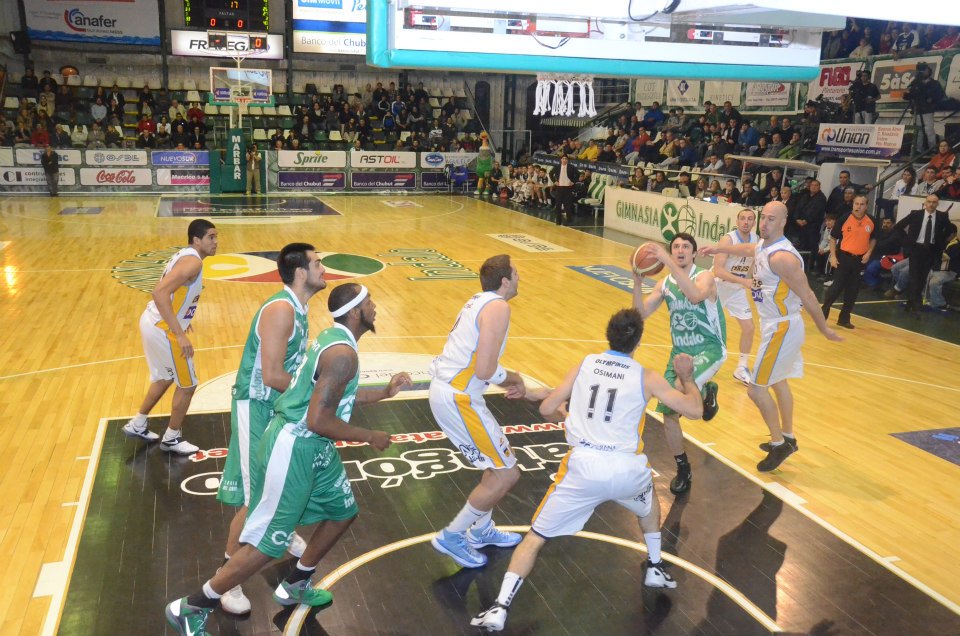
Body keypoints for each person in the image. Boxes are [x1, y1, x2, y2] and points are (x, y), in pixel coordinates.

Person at [165, 284, 412, 633]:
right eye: (370, 302)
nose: (376, 307)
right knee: (267, 545)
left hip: (315, 447)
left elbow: (334, 399)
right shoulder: (342, 355)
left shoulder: (334, 340)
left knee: (343, 512)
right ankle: (191, 605)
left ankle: (296, 582)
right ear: (356, 312)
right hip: (295, 447)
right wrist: (370, 436)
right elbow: (318, 419)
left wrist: (386, 392)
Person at [470, 309, 705, 632]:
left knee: (534, 539)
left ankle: (499, 608)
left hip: (582, 468)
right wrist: (687, 377)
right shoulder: (646, 376)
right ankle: (654, 566)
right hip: (626, 469)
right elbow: (694, 410)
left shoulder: (586, 364)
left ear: (608, 335)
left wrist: (567, 415)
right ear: (638, 340)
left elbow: (547, 407)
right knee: (649, 506)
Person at [214, 244, 327, 614]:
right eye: (317, 263)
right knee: (255, 498)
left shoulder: (299, 307)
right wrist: (316, 395)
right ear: (299, 272)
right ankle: (226, 578)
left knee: (281, 479)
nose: (324, 267)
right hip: (256, 406)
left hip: (275, 405)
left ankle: (284, 531)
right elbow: (276, 375)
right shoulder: (281, 310)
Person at [700, 202, 842, 472]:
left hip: (781, 326)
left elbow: (809, 295)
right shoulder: (764, 245)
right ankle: (788, 437)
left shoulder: (781, 258)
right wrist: (717, 248)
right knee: (778, 383)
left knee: (755, 389)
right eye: (762, 218)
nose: (763, 223)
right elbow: (746, 248)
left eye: (770, 219)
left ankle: (779, 444)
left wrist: (824, 328)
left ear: (783, 222)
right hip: (775, 324)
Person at [428, 255, 527, 568]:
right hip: (459, 398)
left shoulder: (479, 301)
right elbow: (485, 369)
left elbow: (479, 367)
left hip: (454, 392)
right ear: (505, 281)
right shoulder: (498, 306)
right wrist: (516, 378)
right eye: (516, 272)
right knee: (508, 473)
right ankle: (453, 535)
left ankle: (481, 530)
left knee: (494, 466)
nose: (519, 276)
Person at [632, 234, 723, 494]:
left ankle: (704, 391)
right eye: (676, 247)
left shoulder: (705, 276)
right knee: (668, 413)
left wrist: (668, 262)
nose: (680, 250)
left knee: (682, 393)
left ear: (694, 254)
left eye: (685, 247)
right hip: (680, 352)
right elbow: (640, 314)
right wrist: (637, 283)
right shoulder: (664, 283)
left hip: (709, 348)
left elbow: (694, 296)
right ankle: (682, 467)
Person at [122, 220, 219, 454]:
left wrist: (183, 319)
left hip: (153, 321)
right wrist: (178, 331)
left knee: (165, 377)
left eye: (216, 237)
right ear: (196, 240)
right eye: (211, 237)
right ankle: (172, 438)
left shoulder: (186, 255)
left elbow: (173, 293)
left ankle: (138, 423)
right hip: (163, 329)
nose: (216, 242)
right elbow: (159, 292)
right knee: (188, 385)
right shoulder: (193, 262)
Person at [711, 209, 758, 384]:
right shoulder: (728, 239)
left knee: (749, 327)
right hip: (717, 287)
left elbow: (751, 268)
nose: (746, 222)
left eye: (750, 219)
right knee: (710, 329)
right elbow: (718, 270)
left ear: (754, 222)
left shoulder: (756, 240)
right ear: (737, 221)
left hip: (737, 289)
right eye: (743, 219)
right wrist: (744, 282)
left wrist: (755, 281)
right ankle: (701, 362)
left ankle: (741, 368)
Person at [821, 195, 877, 329]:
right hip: (844, 257)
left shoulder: (872, 221)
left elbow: (874, 238)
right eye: (856, 204)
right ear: (853, 204)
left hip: (859, 260)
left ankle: (844, 318)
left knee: (853, 290)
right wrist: (833, 257)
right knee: (836, 288)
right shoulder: (844, 218)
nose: (858, 206)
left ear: (866, 206)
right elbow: (833, 238)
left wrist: (869, 253)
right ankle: (822, 315)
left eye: (861, 204)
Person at [894, 194, 952, 315]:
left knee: (922, 276)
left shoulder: (942, 216)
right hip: (916, 248)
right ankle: (917, 303)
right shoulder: (916, 214)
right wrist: (907, 241)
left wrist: (940, 244)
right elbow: (899, 227)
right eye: (929, 202)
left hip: (931, 250)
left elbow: (949, 231)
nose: (931, 204)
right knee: (914, 275)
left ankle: (911, 301)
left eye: (934, 202)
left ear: (938, 203)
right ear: (925, 203)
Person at [549, 155, 579, 226]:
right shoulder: (557, 167)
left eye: (566, 159)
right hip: (559, 188)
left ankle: (569, 220)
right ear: (561, 159)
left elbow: (578, 174)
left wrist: (573, 182)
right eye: (563, 159)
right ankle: (558, 221)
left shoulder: (571, 167)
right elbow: (550, 174)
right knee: (558, 205)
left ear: (567, 160)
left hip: (568, 188)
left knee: (567, 205)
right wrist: (554, 181)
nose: (564, 160)